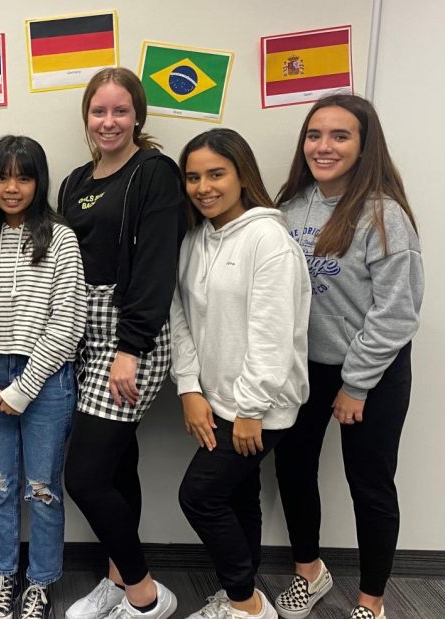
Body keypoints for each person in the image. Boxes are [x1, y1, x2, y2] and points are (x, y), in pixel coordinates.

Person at [272, 94, 423, 619]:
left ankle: (372, 601)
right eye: (315, 135)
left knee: (370, 485)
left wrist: (356, 384)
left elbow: (397, 313)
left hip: (372, 371)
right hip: (304, 368)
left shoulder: (384, 215)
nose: (324, 146)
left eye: (340, 136)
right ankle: (309, 571)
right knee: (292, 470)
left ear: (364, 146)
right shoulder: (289, 207)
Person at [59, 67, 187, 619]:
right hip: (83, 332)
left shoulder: (154, 172)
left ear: (139, 115)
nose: (108, 122)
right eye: (98, 111)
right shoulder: (75, 181)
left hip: (132, 332)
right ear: (86, 116)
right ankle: (115, 576)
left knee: (83, 476)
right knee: (115, 467)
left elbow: (158, 264)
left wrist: (130, 347)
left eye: (120, 111)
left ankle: (145, 594)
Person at [170, 129, 311, 619]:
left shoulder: (269, 240)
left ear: (241, 175)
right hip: (215, 400)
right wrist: (188, 387)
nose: (203, 186)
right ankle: (243, 592)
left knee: (200, 496)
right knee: (236, 495)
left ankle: (245, 605)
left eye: (216, 174)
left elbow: (273, 334)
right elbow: (180, 317)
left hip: (259, 406)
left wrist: (250, 411)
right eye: (193, 177)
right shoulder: (194, 239)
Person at [0, 135, 85, 619]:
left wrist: (23, 388)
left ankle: (38, 583)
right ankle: (4, 576)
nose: (11, 187)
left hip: (47, 379)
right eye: (2, 176)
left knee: (42, 487)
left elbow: (68, 322)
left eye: (23, 176)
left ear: (39, 182)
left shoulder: (60, 238)